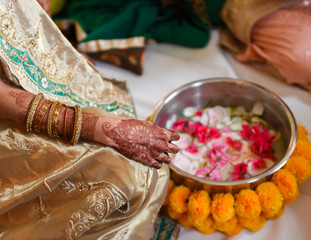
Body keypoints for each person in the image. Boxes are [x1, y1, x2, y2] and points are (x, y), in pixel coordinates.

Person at [0, 0, 179, 239]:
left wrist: (61, 48)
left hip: (31, 75)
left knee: (117, 111)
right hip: (8, 114)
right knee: (136, 174)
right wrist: (102, 129)